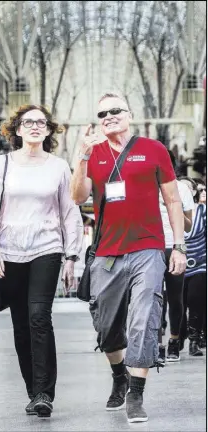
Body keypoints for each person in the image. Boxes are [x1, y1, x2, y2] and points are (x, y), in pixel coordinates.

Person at [71, 92, 187, 423]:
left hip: (148, 248)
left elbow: (173, 200)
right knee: (107, 328)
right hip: (106, 253)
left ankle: (136, 392)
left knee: (145, 316)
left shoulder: (153, 150)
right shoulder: (92, 155)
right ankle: (119, 374)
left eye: (115, 110)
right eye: (101, 113)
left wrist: (178, 245)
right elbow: (77, 197)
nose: (108, 116)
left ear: (130, 114)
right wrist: (81, 155)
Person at [0, 104, 83, 418]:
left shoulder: (59, 167)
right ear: (18, 129)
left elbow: (68, 212)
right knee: (21, 325)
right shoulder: (2, 165)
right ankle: (33, 391)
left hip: (46, 249)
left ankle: (44, 394)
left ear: (49, 130)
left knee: (39, 316)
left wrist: (71, 255)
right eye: (28, 122)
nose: (35, 126)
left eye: (41, 122)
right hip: (9, 253)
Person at [158, 151, 195, 363]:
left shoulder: (181, 188)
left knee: (175, 297)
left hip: (175, 247)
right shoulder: (147, 185)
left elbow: (188, 226)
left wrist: (172, 207)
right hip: (152, 247)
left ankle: (174, 339)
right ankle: (157, 343)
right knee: (154, 298)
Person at [179, 178, 206, 355]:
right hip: (176, 263)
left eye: (188, 188)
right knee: (178, 304)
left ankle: (194, 341)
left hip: (200, 263)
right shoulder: (169, 210)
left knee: (196, 302)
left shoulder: (203, 211)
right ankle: (178, 338)